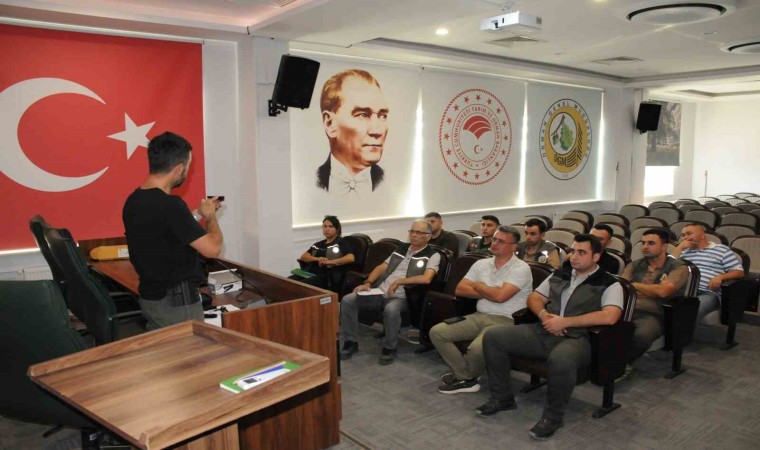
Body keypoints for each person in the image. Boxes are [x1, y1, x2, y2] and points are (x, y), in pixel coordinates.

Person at [478, 234, 624, 441]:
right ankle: (502, 398)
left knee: (561, 359)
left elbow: (610, 316)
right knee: (494, 337)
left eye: (582, 252)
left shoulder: (609, 283)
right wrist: (544, 316)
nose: (574, 256)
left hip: (578, 338)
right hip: (544, 330)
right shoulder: (560, 274)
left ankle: (553, 417)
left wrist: (565, 322)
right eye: (573, 251)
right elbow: (534, 298)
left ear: (596, 257)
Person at [122, 131, 223, 330]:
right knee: (190, 351)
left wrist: (197, 215)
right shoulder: (171, 205)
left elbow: (165, 231)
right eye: (188, 166)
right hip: (177, 306)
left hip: (153, 300)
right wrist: (211, 217)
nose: (187, 172)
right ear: (179, 169)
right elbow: (213, 249)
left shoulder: (134, 200)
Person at [430, 226, 532, 394]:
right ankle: (466, 377)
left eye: (501, 241)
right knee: (437, 332)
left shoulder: (521, 268)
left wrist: (478, 285)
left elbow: (500, 297)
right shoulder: (481, 263)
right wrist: (490, 291)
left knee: (476, 349)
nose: (495, 243)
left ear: (514, 247)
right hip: (479, 315)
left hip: (505, 321)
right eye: (495, 239)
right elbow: (460, 289)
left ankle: (465, 377)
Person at [340, 219, 440, 365]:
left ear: (428, 236)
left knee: (391, 309)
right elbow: (382, 267)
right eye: (412, 231)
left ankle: (389, 348)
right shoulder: (401, 248)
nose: (414, 235)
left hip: (402, 297)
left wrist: (400, 281)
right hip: (380, 291)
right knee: (348, 300)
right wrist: (368, 283)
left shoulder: (432, 255)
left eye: (419, 232)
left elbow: (427, 278)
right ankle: (350, 342)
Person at [316, 69, 388, 195]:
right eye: (363, 115)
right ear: (330, 124)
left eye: (382, 116)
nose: (377, 131)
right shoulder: (309, 181)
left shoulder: (391, 183)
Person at [622, 229, 688, 365]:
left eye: (651, 243)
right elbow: (622, 288)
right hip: (627, 307)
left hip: (653, 314)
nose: (645, 247)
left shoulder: (678, 267)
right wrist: (653, 289)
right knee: (602, 327)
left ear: (664, 246)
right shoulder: (634, 265)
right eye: (643, 243)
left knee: (641, 336)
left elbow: (663, 292)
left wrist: (635, 285)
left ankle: (623, 364)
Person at [672, 223, 744, 324]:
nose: (685, 237)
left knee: (689, 313)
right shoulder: (683, 251)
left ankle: (678, 334)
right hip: (682, 289)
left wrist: (720, 277)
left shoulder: (721, 250)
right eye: (683, 235)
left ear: (702, 235)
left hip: (707, 292)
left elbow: (739, 272)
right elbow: (668, 267)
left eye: (689, 234)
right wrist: (679, 248)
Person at [291, 216, 355, 291]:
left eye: (330, 226)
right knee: (288, 282)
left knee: (298, 287)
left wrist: (329, 262)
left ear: (337, 229)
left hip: (327, 277)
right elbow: (304, 257)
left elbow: (351, 258)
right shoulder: (319, 244)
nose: (327, 229)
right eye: (325, 226)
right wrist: (318, 259)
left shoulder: (341, 242)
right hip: (311, 273)